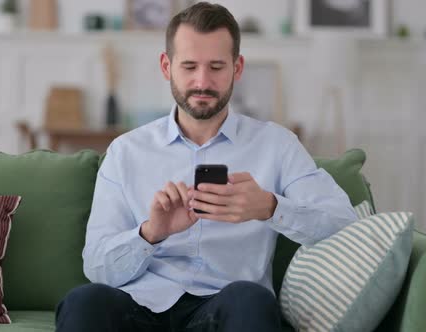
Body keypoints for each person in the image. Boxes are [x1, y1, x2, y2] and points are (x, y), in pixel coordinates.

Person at [56, 2, 357, 331]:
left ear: (237, 68)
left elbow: (344, 224)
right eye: (189, 67)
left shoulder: (278, 145)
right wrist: (151, 233)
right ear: (166, 66)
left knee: (252, 299)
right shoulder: (125, 151)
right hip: (140, 306)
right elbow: (97, 268)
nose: (202, 82)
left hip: (227, 307)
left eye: (216, 66)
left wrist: (270, 207)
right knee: (83, 301)